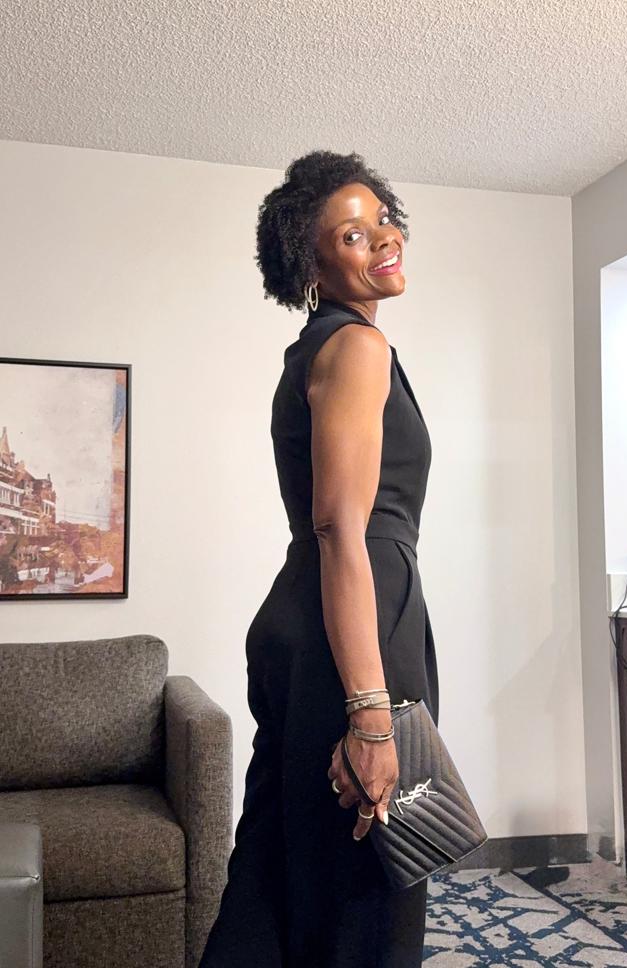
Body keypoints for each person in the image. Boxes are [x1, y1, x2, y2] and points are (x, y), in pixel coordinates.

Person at [199, 150, 439, 968]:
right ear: (313, 265)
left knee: (273, 882)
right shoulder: (357, 349)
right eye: (352, 234)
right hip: (355, 624)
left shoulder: (315, 350)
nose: (384, 237)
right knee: (368, 889)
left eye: (382, 219)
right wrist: (370, 712)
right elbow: (340, 526)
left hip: (310, 620)